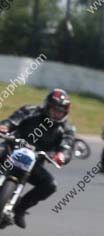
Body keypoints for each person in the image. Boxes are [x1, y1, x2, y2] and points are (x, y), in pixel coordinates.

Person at [0, 88, 73, 228]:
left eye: (61, 111)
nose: (57, 114)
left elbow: (67, 145)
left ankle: (20, 209)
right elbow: (12, 121)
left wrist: (62, 155)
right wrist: (5, 126)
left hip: (34, 161)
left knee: (50, 185)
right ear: (47, 106)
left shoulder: (66, 129)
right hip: (11, 149)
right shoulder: (30, 110)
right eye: (54, 110)